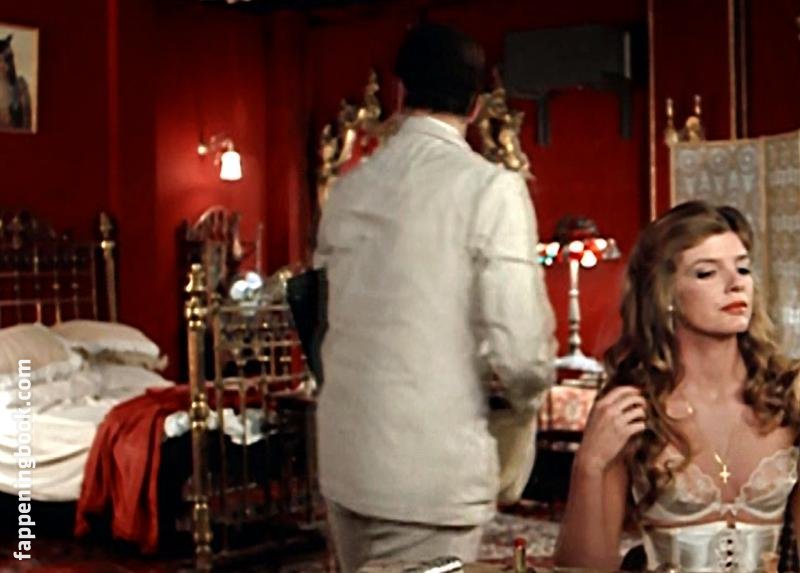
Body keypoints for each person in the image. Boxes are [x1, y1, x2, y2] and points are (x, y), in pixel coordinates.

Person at [313, 23, 557, 572]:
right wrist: (523, 403)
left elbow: (320, 318)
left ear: (400, 92)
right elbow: (521, 352)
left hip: (344, 456)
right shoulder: (489, 188)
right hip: (430, 468)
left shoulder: (348, 190)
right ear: (476, 105)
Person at [554, 200, 800, 573]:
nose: (735, 284)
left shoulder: (786, 396)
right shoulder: (635, 405)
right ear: (666, 294)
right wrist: (589, 464)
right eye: (706, 273)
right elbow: (583, 569)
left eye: (742, 268)